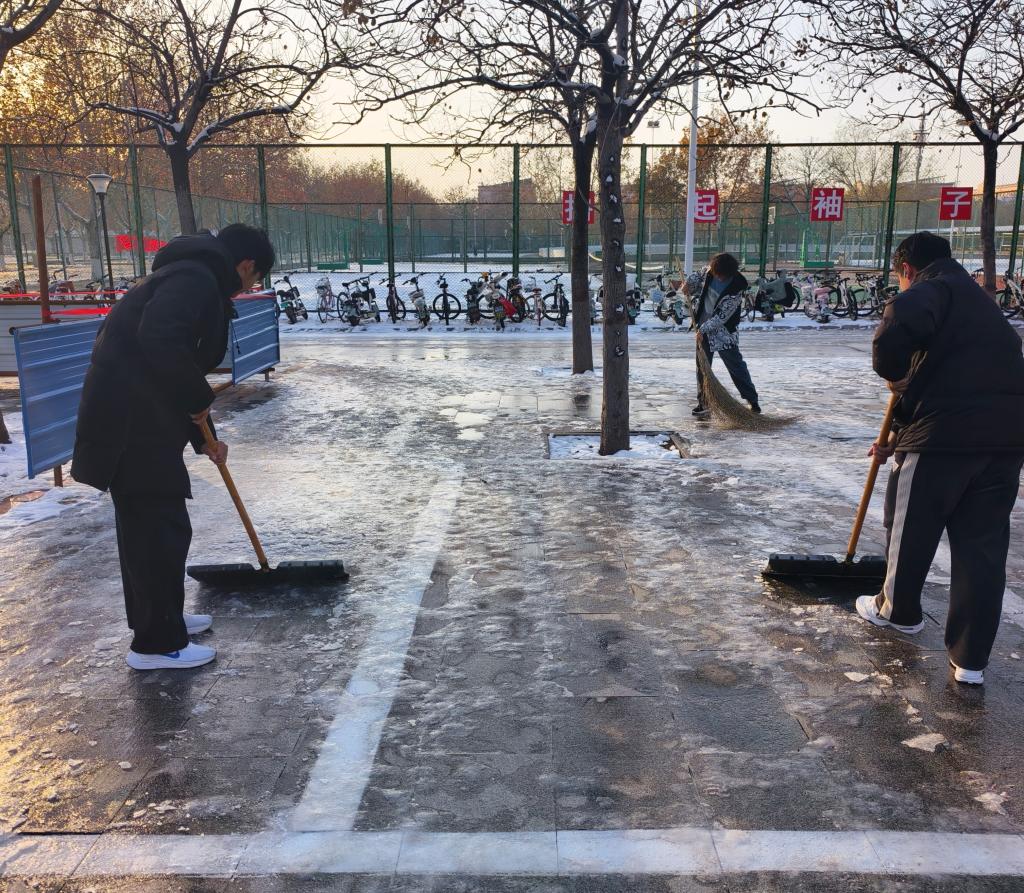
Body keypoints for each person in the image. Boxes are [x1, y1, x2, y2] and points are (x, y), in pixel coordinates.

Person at [71, 224, 274, 671]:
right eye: (254, 279)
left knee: (151, 528)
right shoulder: (194, 278)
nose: (248, 288)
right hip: (131, 426)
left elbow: (172, 364)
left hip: (137, 419)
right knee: (157, 529)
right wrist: (200, 401)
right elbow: (160, 342)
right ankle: (156, 644)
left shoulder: (189, 275)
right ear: (245, 265)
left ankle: (162, 619)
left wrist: (206, 438)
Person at [856, 231, 1024, 685]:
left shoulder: (932, 289)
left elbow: (895, 328)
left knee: (909, 523)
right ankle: (970, 661)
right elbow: (956, 373)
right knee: (982, 549)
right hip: (1006, 441)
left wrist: (894, 373)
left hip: (944, 439)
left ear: (907, 270)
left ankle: (896, 611)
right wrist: (899, 435)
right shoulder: (979, 303)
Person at [690, 253, 761, 416]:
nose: (719, 278)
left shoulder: (736, 289)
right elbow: (697, 275)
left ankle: (752, 401)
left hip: (724, 333)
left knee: (736, 367)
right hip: (702, 329)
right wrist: (688, 283)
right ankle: (704, 402)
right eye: (718, 274)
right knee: (702, 368)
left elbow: (721, 317)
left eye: (723, 276)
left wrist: (702, 329)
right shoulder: (710, 271)